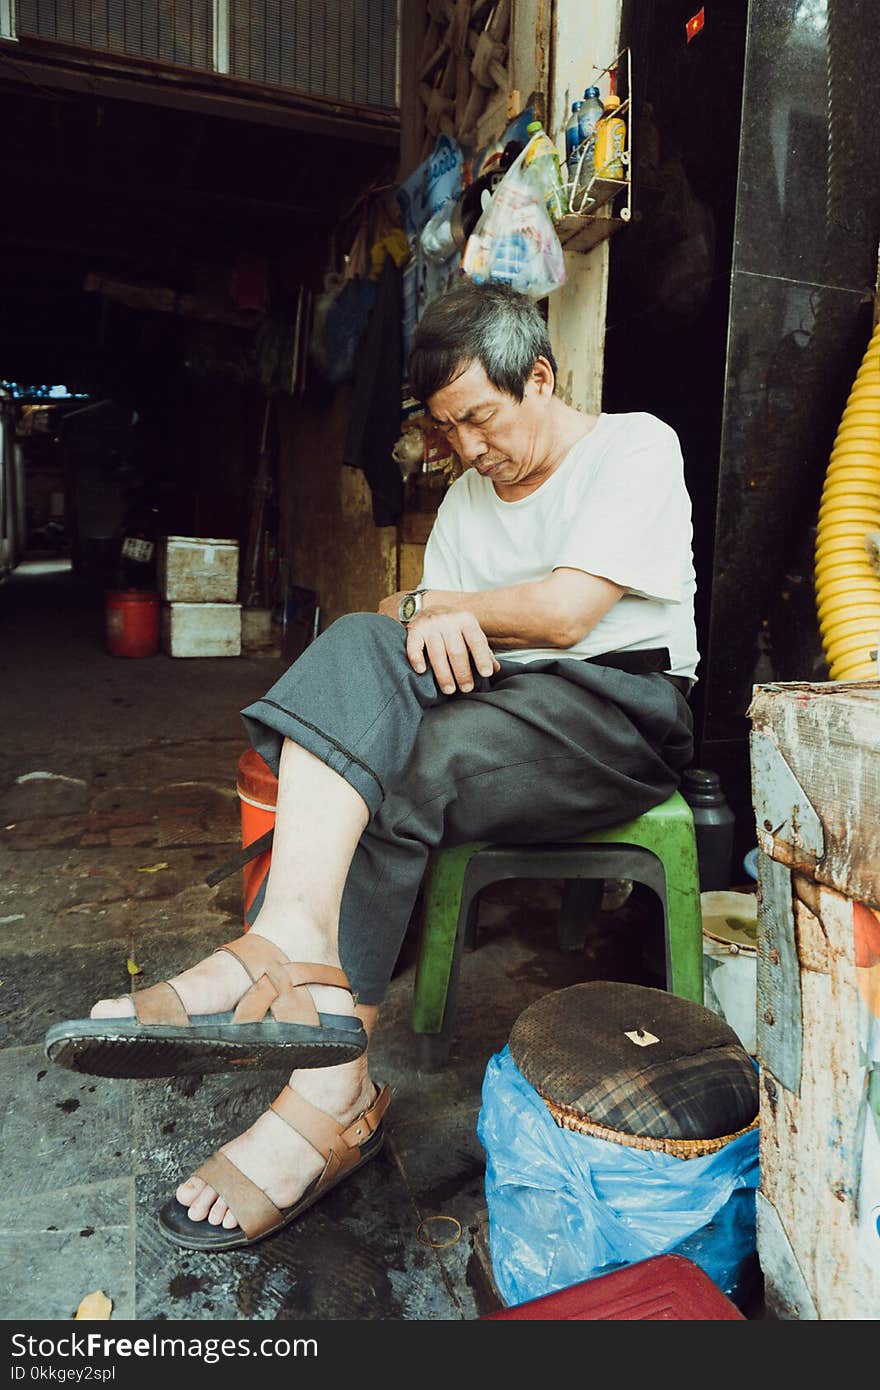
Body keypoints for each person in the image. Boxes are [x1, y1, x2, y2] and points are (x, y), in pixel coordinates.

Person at [44, 280, 698, 1251]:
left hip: (619, 713)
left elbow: (564, 614)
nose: (468, 451)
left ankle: (326, 1096)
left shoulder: (632, 445)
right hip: (507, 702)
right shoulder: (471, 498)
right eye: (447, 431)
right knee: (361, 650)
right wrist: (419, 618)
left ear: (541, 379)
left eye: (479, 418)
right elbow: (422, 618)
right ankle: (289, 943)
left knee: (401, 759)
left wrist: (433, 612)